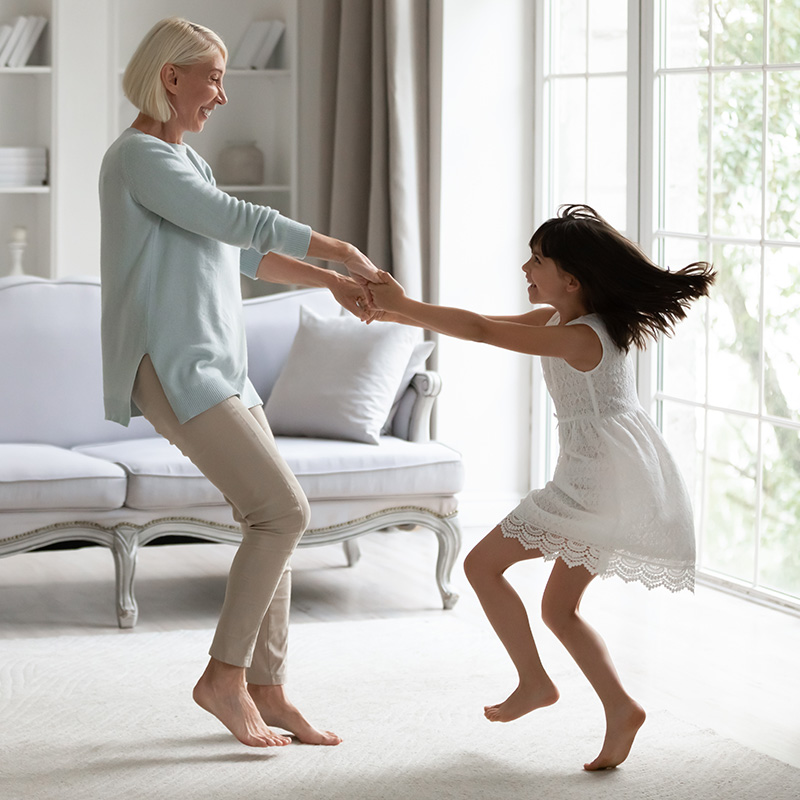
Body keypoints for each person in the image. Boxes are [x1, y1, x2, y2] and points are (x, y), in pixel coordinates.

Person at [99, 17, 381, 748]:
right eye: (214, 77)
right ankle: (223, 677)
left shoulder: (185, 162)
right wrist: (342, 250)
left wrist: (330, 285)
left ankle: (267, 687)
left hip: (221, 365)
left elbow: (243, 252)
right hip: (175, 365)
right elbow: (238, 220)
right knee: (282, 512)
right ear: (171, 77)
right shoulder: (138, 158)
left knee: (275, 519)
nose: (221, 95)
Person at [366, 205, 715, 770]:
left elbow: (481, 332)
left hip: (596, 484)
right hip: (603, 479)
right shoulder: (564, 325)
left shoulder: (583, 337)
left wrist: (402, 305)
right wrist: (397, 312)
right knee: (559, 609)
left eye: (536, 261)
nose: (525, 268)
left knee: (482, 566)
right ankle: (620, 707)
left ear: (571, 280)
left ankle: (534, 682)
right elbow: (478, 319)